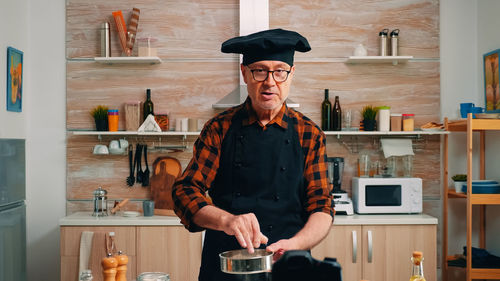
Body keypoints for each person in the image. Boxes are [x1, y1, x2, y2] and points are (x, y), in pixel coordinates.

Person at [172, 28, 334, 281]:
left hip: (289, 263)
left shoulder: (309, 133)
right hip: (226, 267)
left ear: (291, 75)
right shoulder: (219, 128)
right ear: (244, 73)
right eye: (260, 70)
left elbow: (321, 206)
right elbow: (185, 190)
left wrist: (297, 243)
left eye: (280, 71)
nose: (270, 82)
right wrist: (226, 220)